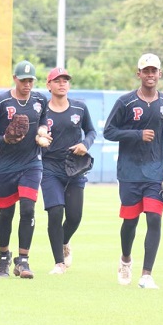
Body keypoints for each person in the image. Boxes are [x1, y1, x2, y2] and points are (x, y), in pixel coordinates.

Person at [103, 53, 163, 289]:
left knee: (154, 219)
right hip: (129, 172)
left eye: (153, 71)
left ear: (160, 74)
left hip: (156, 171)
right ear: (138, 74)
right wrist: (136, 134)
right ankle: (126, 259)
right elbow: (109, 131)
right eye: (145, 71)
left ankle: (147, 274)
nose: (150, 75)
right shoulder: (125, 102)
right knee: (130, 221)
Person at [0, 60, 52, 279]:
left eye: (31, 80)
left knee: (28, 209)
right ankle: (3, 257)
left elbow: (44, 119)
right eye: (24, 80)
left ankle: (23, 260)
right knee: (6, 213)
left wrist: (43, 131)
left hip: (31, 163)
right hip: (7, 165)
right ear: (15, 78)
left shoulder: (39, 100)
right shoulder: (1, 101)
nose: (27, 84)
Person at [41, 68, 96, 274]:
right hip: (50, 166)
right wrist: (39, 139)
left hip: (75, 166)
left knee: (74, 216)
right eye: (57, 80)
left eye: (65, 80)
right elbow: (34, 134)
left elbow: (91, 131)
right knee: (55, 212)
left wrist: (85, 144)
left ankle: (64, 242)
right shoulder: (42, 111)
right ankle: (59, 263)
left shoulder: (79, 108)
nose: (62, 83)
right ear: (49, 85)